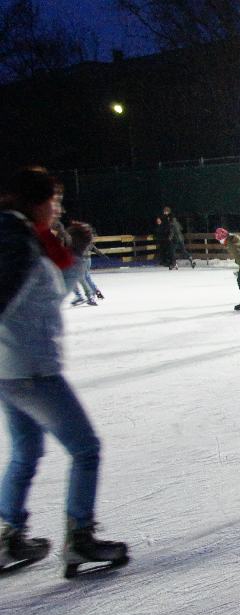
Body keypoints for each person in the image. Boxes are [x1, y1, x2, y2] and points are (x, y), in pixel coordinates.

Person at [0, 167, 128, 577]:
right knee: (85, 449)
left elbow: (47, 294)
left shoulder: (20, 236)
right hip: (31, 369)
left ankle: (8, 535)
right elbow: (31, 299)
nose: (57, 209)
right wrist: (72, 254)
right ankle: (79, 539)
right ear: (36, 202)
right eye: (54, 201)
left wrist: (75, 255)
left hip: (11, 369)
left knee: (27, 452)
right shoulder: (16, 240)